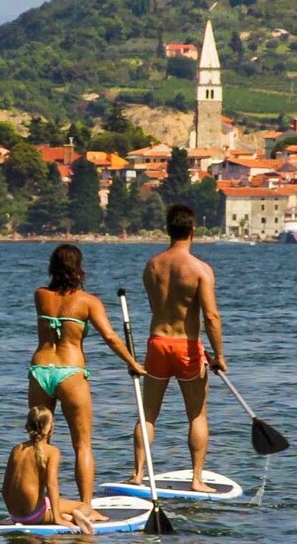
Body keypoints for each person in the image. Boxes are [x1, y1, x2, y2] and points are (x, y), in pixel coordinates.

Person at [29, 244, 146, 515]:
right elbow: (110, 337)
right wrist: (133, 364)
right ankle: (86, 507)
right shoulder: (88, 301)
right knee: (82, 444)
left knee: (39, 443)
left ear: (52, 267)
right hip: (70, 372)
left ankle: (38, 505)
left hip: (39, 370)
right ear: (79, 269)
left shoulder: (40, 295)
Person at [129, 204, 226, 492]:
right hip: (187, 347)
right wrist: (218, 355)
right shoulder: (199, 269)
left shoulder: (152, 266)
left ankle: (137, 474)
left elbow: (158, 304)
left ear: (167, 230)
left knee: (147, 414)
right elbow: (210, 316)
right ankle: (197, 479)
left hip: (157, 343)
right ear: (193, 230)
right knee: (197, 414)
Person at [1, 406, 94, 534]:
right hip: (34, 516)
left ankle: (67, 517)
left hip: (15, 515)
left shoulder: (17, 449)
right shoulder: (52, 451)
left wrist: (13, 514)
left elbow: (5, 489)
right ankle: (71, 518)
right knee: (85, 507)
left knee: (46, 502)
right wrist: (57, 519)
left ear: (28, 425)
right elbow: (52, 484)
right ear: (50, 427)